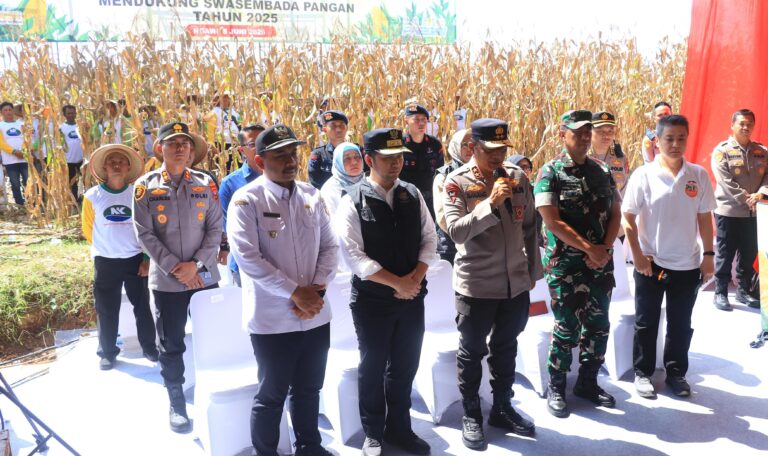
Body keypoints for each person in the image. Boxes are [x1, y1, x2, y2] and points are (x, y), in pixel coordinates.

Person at [227, 124, 338, 456]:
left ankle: (310, 447)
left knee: (309, 389)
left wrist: (315, 291)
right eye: (280, 155)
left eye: (293, 153)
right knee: (272, 394)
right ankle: (266, 452)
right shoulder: (247, 200)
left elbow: (330, 248)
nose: (290, 161)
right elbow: (247, 257)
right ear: (260, 162)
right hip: (273, 320)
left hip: (316, 315)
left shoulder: (311, 195)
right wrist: (294, 292)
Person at [336, 128, 437, 456]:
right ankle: (374, 432)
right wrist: (398, 283)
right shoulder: (352, 200)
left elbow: (429, 238)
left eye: (399, 158)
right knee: (373, 366)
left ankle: (400, 429)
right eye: (387, 158)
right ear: (369, 160)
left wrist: (415, 279)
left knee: (405, 366)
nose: (396, 164)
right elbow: (353, 255)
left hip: (412, 297)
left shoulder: (412, 193)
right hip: (373, 302)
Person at [443, 119, 541, 450]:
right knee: (472, 352)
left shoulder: (516, 178)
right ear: (474, 148)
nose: (499, 157)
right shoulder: (456, 183)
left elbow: (530, 227)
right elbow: (455, 231)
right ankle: (471, 413)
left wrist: (530, 274)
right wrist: (489, 204)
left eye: (503, 150)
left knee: (506, 346)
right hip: (477, 285)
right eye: (491, 150)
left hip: (515, 284)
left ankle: (502, 407)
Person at [132, 121, 222, 433]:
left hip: (204, 277)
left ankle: (218, 393)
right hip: (169, 280)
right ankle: (176, 401)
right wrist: (178, 268)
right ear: (160, 149)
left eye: (186, 143)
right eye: (173, 143)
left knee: (213, 339)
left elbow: (214, 229)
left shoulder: (206, 184)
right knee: (171, 344)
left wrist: (195, 265)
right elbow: (144, 234)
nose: (181, 148)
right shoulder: (145, 186)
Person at [534, 110, 621, 418]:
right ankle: (557, 386)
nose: (585, 137)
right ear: (562, 134)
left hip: (599, 263)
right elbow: (551, 220)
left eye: (588, 132)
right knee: (567, 326)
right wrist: (589, 248)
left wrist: (605, 248)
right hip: (566, 266)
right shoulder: (551, 172)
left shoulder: (601, 170)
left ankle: (587, 382)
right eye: (578, 132)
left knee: (598, 326)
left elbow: (615, 212)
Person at [622, 114, 716, 398]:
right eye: (669, 139)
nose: (675, 144)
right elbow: (627, 219)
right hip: (652, 264)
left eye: (681, 138)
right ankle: (643, 373)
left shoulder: (697, 175)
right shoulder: (643, 175)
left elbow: (704, 217)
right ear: (657, 141)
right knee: (646, 321)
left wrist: (709, 255)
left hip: (687, 264)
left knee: (680, 323)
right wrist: (638, 256)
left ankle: (676, 373)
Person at [82, 143, 158, 370]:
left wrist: (146, 259)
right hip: (105, 261)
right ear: (104, 167)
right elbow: (88, 229)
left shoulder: (138, 194)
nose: (116, 165)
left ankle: (149, 347)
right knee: (106, 309)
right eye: (111, 161)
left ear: (128, 167)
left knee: (142, 306)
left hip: (135, 260)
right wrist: (107, 249)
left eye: (121, 161)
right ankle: (107, 351)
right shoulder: (92, 196)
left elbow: (148, 228)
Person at [711, 109, 767, 311]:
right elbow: (725, 181)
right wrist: (747, 198)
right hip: (729, 212)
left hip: (754, 213)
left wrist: (761, 193)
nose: (746, 127)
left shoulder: (762, 151)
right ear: (732, 125)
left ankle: (744, 291)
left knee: (748, 253)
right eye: (742, 123)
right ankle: (720, 293)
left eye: (750, 123)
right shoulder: (722, 151)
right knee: (725, 254)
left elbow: (767, 177)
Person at [218, 123, 266, 287]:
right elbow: (228, 227)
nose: (261, 147)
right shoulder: (230, 184)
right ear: (241, 151)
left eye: (264, 140)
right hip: (244, 267)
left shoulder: (281, 179)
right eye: (253, 144)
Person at [433, 128, 472, 263]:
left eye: (472, 144)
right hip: (451, 245)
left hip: (479, 244)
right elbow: (442, 216)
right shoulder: (443, 176)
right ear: (455, 146)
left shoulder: (481, 172)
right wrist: (464, 236)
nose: (469, 149)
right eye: (464, 145)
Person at [401, 103, 444, 219]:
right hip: (405, 200)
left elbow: (440, 172)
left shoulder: (434, 144)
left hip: (430, 200)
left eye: (424, 120)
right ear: (406, 121)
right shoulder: (399, 145)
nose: (421, 123)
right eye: (416, 120)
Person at [507, 154, 544, 248]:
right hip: (512, 248)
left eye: (528, 168)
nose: (526, 171)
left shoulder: (536, 192)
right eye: (521, 167)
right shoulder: (504, 193)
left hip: (535, 245)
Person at [320, 142, 365, 217]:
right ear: (338, 162)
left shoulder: (369, 182)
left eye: (357, 157)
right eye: (347, 158)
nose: (354, 162)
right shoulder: (329, 190)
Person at [309, 110, 350, 189]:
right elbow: (315, 184)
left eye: (342, 126)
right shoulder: (318, 155)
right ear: (324, 129)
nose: (338, 130)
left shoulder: (357, 152)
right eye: (333, 126)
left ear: (346, 128)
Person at [0, 101, 28, 206]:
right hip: (10, 160)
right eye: (5, 110)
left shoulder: (21, 124)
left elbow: (27, 139)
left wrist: (23, 151)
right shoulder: (0, 125)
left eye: (10, 109)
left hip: (24, 158)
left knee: (28, 181)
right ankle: (20, 204)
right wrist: (14, 152)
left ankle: (31, 202)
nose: (8, 112)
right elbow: (1, 143)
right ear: (2, 113)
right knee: (15, 183)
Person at [61, 105, 84, 200]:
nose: (71, 115)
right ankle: (75, 200)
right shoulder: (61, 128)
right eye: (69, 113)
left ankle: (86, 199)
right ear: (64, 115)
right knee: (72, 181)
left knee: (86, 180)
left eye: (73, 113)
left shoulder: (81, 126)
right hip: (69, 160)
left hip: (83, 159)